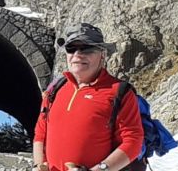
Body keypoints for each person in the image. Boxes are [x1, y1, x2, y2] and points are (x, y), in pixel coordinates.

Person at [32, 24, 144, 171]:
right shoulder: (55, 89)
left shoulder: (119, 92)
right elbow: (40, 134)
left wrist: (102, 169)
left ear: (102, 54)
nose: (78, 54)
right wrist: (38, 165)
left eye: (86, 48)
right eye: (71, 48)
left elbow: (133, 141)